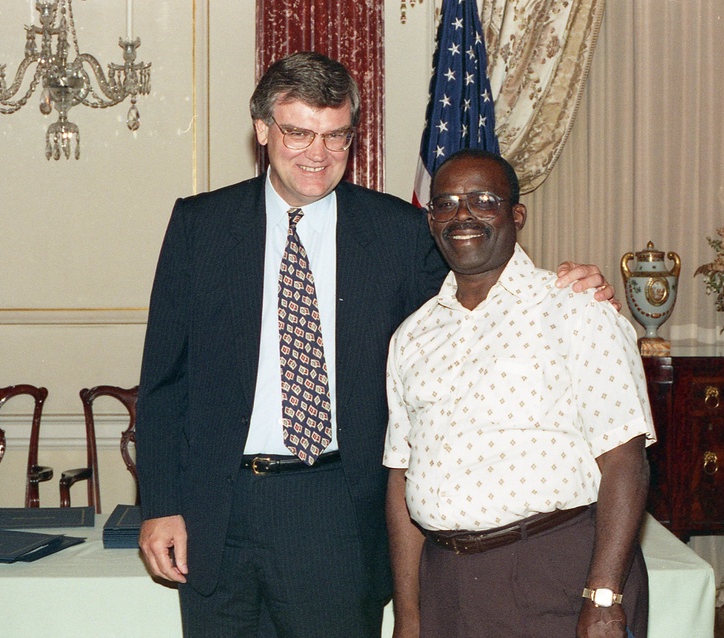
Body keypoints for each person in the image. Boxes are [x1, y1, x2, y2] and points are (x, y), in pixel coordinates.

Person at [135, 52, 618, 638]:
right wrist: (160, 504)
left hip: (336, 512)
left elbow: (482, 293)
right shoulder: (201, 226)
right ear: (262, 130)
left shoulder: (398, 232)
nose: (318, 154)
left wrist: (571, 287)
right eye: (299, 133)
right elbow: (164, 382)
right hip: (218, 510)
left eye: (336, 136)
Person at [383, 149, 656, 638]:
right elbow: (402, 476)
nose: (462, 214)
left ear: (517, 215)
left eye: (483, 200)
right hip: (445, 582)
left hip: (554, 572)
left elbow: (625, 460)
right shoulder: (412, 336)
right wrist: (409, 615)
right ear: (431, 221)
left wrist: (604, 596)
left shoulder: (577, 309)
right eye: (445, 203)